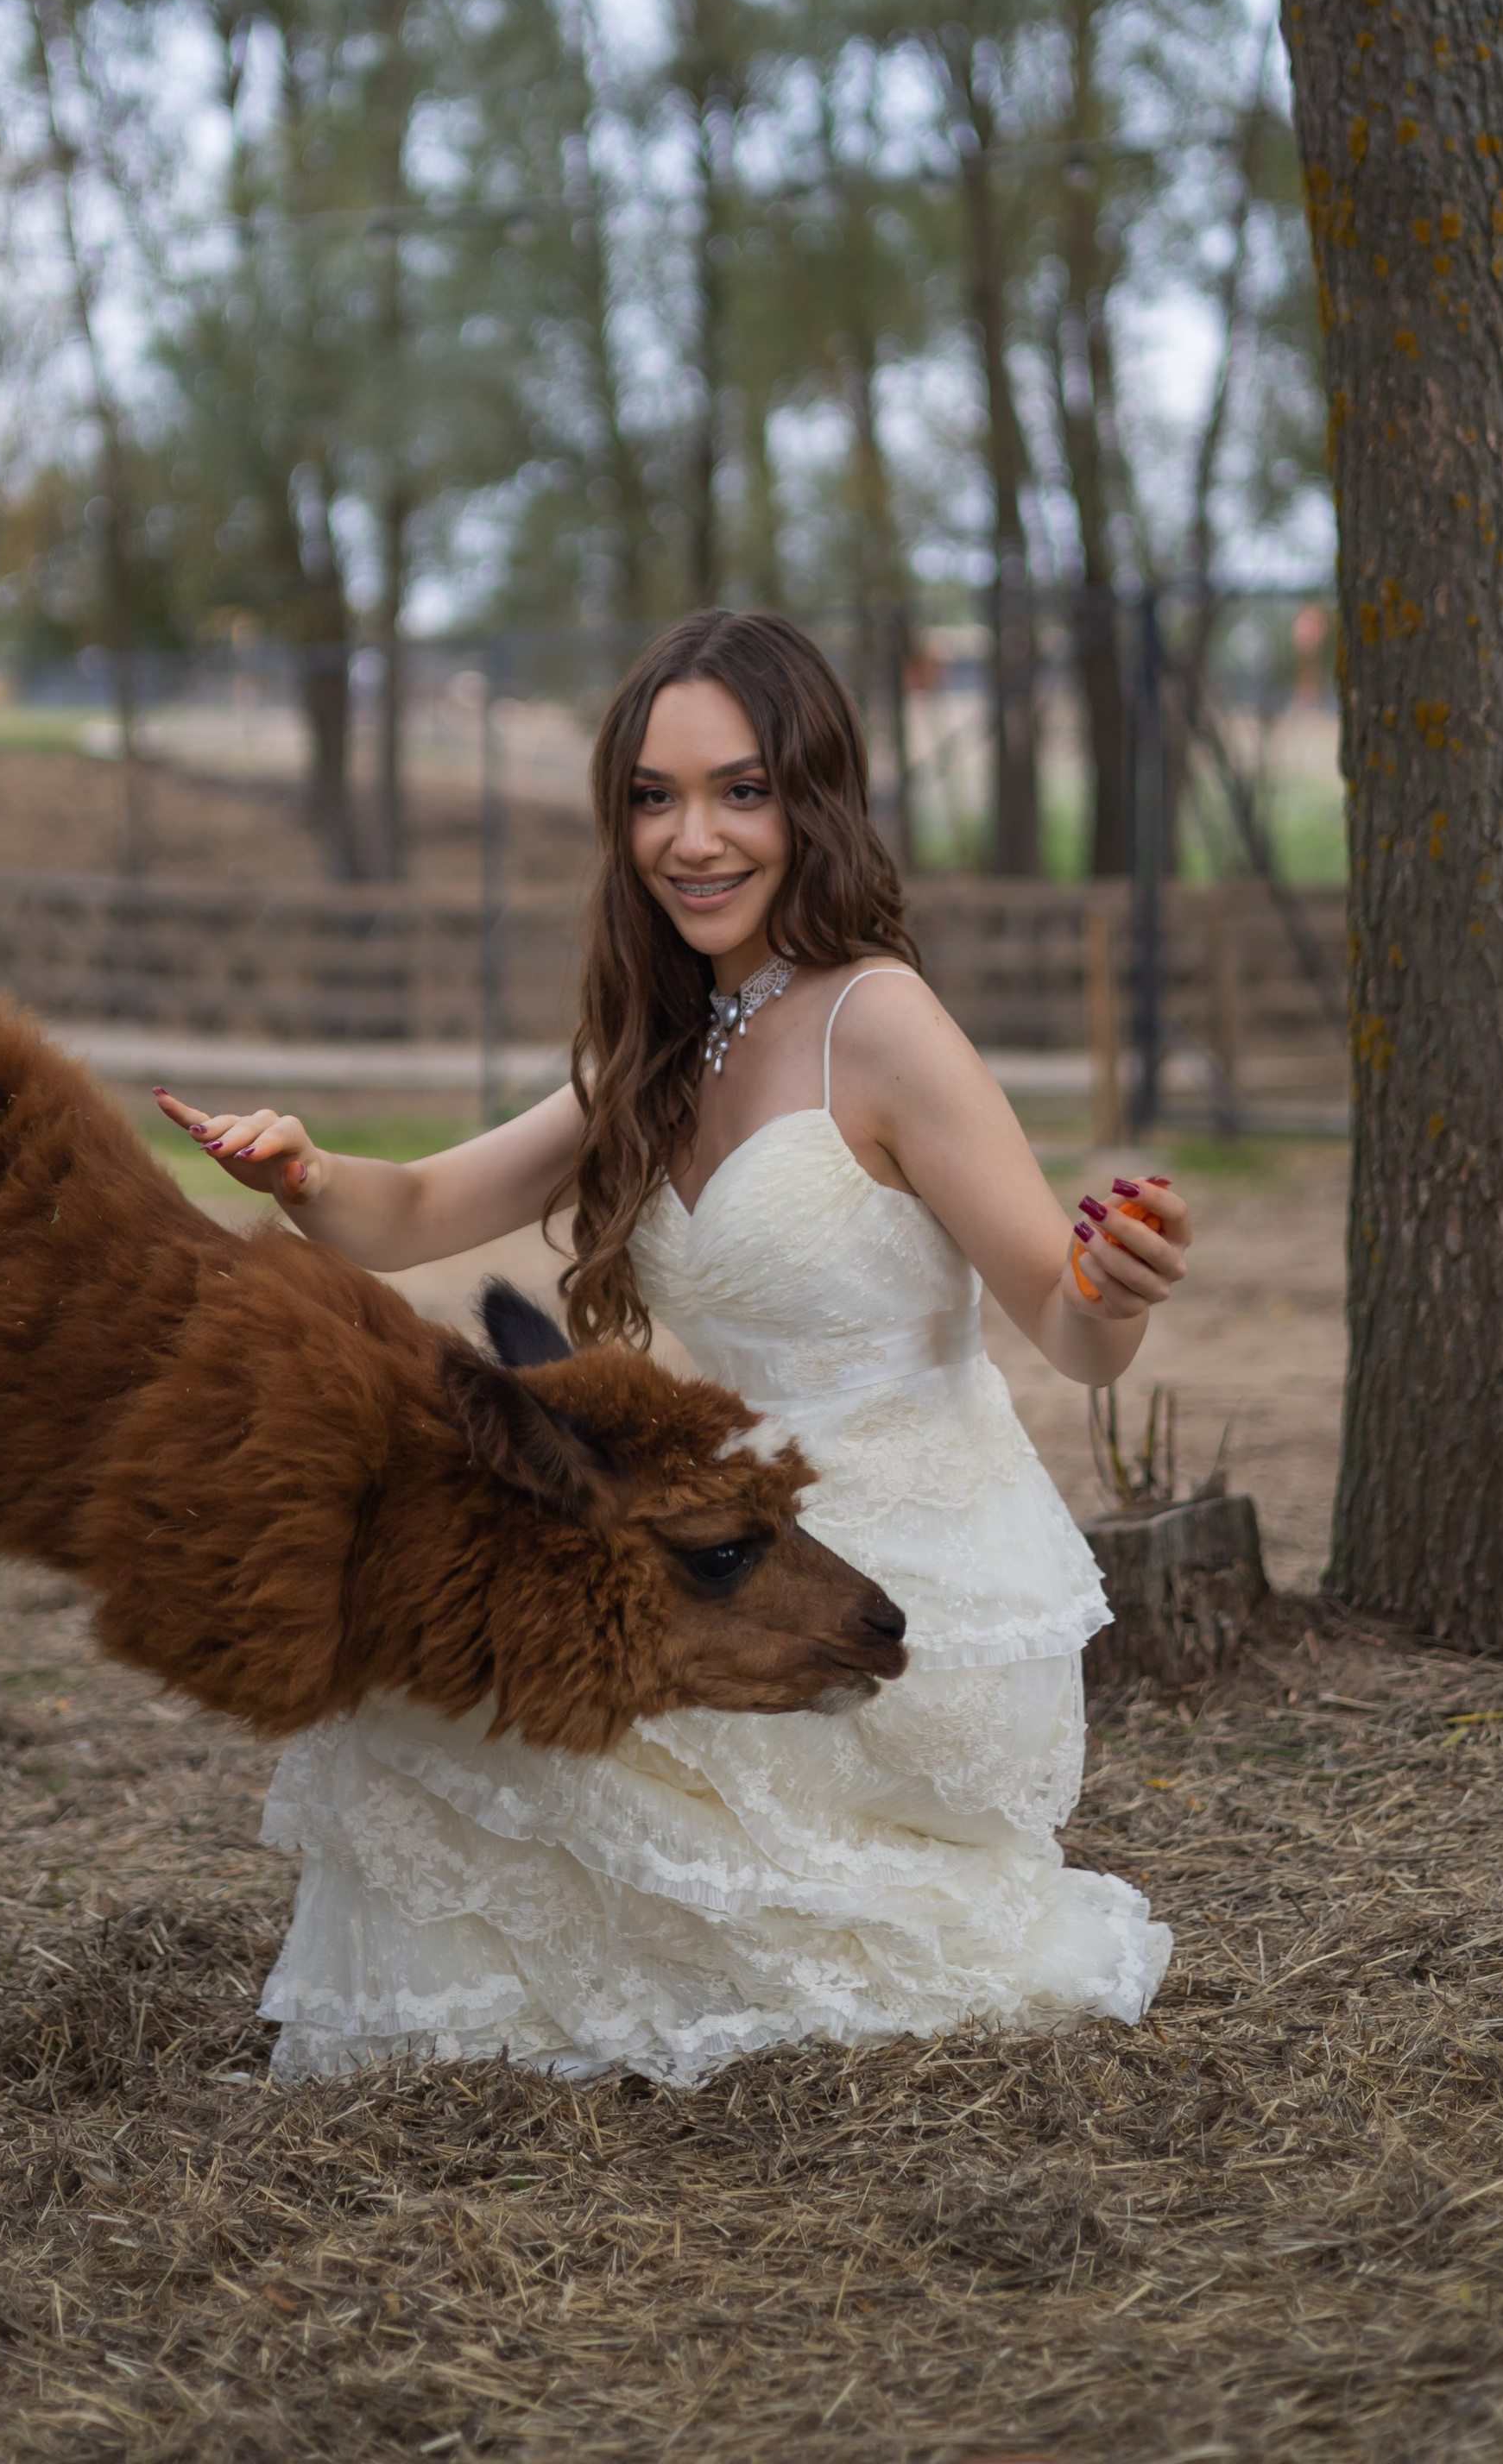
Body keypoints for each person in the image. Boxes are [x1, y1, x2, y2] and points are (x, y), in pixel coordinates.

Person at [156, 609, 1184, 2084]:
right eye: (653, 797)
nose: (690, 838)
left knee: (526, 1742)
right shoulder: (669, 1041)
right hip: (718, 1544)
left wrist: (1119, 1287)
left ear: (813, 801)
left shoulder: (881, 1024)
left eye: (739, 790)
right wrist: (305, 1177)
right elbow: (428, 1205)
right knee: (425, 1702)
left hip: (898, 1581)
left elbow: (1070, 1332)